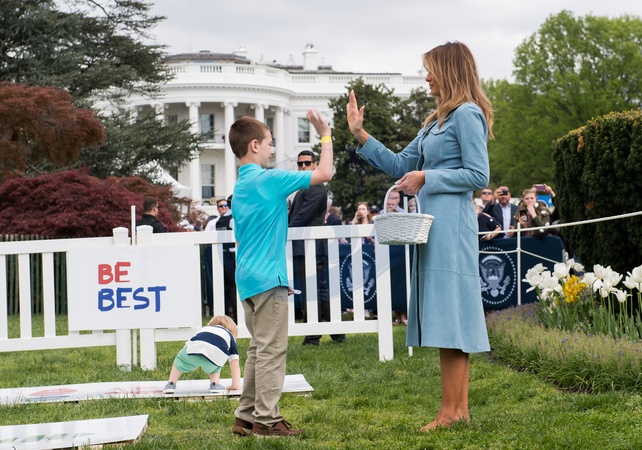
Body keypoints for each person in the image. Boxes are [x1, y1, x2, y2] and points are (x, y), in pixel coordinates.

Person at [347, 41, 493, 431]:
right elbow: (400, 164)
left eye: (431, 69)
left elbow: (479, 175)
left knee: (450, 317)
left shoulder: (467, 114)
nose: (426, 76)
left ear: (449, 71)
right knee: (450, 317)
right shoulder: (434, 122)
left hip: (453, 228)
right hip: (434, 228)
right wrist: (361, 134)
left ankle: (448, 413)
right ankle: (458, 412)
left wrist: (428, 177)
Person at [230, 111, 334, 437]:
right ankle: (267, 420)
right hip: (267, 279)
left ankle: (245, 418)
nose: (273, 150)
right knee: (272, 351)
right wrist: (325, 133)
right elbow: (325, 173)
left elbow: (244, 239)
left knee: (258, 349)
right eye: (270, 144)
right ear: (254, 145)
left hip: (248, 279)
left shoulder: (240, 187)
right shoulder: (270, 180)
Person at [288, 150, 345, 345]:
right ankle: (336, 333)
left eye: (307, 163)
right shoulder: (306, 187)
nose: (303, 166)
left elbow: (302, 217)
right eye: (300, 164)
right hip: (305, 246)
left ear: (315, 164)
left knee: (314, 290)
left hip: (311, 246)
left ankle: (314, 335)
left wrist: (285, 231)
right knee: (317, 289)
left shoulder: (315, 188)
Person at [163, 315, 242, 394]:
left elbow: (191, 343)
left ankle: (171, 384)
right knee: (216, 365)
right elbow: (235, 365)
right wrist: (235, 385)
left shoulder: (204, 329)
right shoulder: (230, 337)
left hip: (193, 350)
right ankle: (215, 384)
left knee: (179, 360)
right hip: (213, 361)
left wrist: (192, 362)